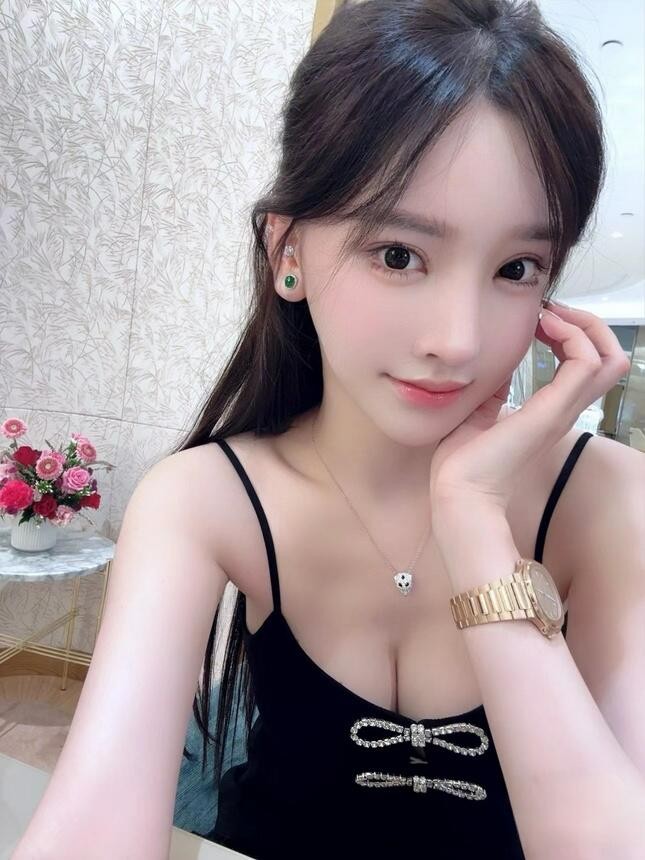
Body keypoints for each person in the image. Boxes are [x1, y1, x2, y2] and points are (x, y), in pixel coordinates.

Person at [14, 1, 644, 859]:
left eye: (515, 267)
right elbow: (94, 825)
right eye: (398, 254)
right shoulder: (206, 499)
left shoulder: (609, 500)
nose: (457, 340)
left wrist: (474, 523)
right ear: (288, 253)